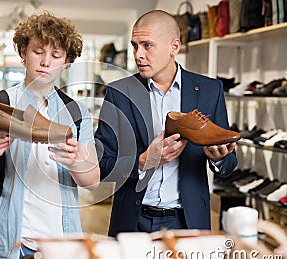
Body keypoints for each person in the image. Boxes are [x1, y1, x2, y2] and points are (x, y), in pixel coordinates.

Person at [0, 12, 100, 259]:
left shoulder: (76, 112)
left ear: (66, 62)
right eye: (38, 51)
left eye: (56, 55)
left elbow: (92, 181)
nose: (46, 62)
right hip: (11, 241)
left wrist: (75, 161)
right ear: (23, 53)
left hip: (63, 243)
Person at [94, 10, 237, 237]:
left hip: (188, 222)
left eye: (147, 45)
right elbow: (100, 163)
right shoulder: (119, 93)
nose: (138, 54)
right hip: (132, 222)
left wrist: (218, 158)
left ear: (174, 47)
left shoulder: (210, 90)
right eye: (135, 45)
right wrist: (142, 162)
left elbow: (229, 164)